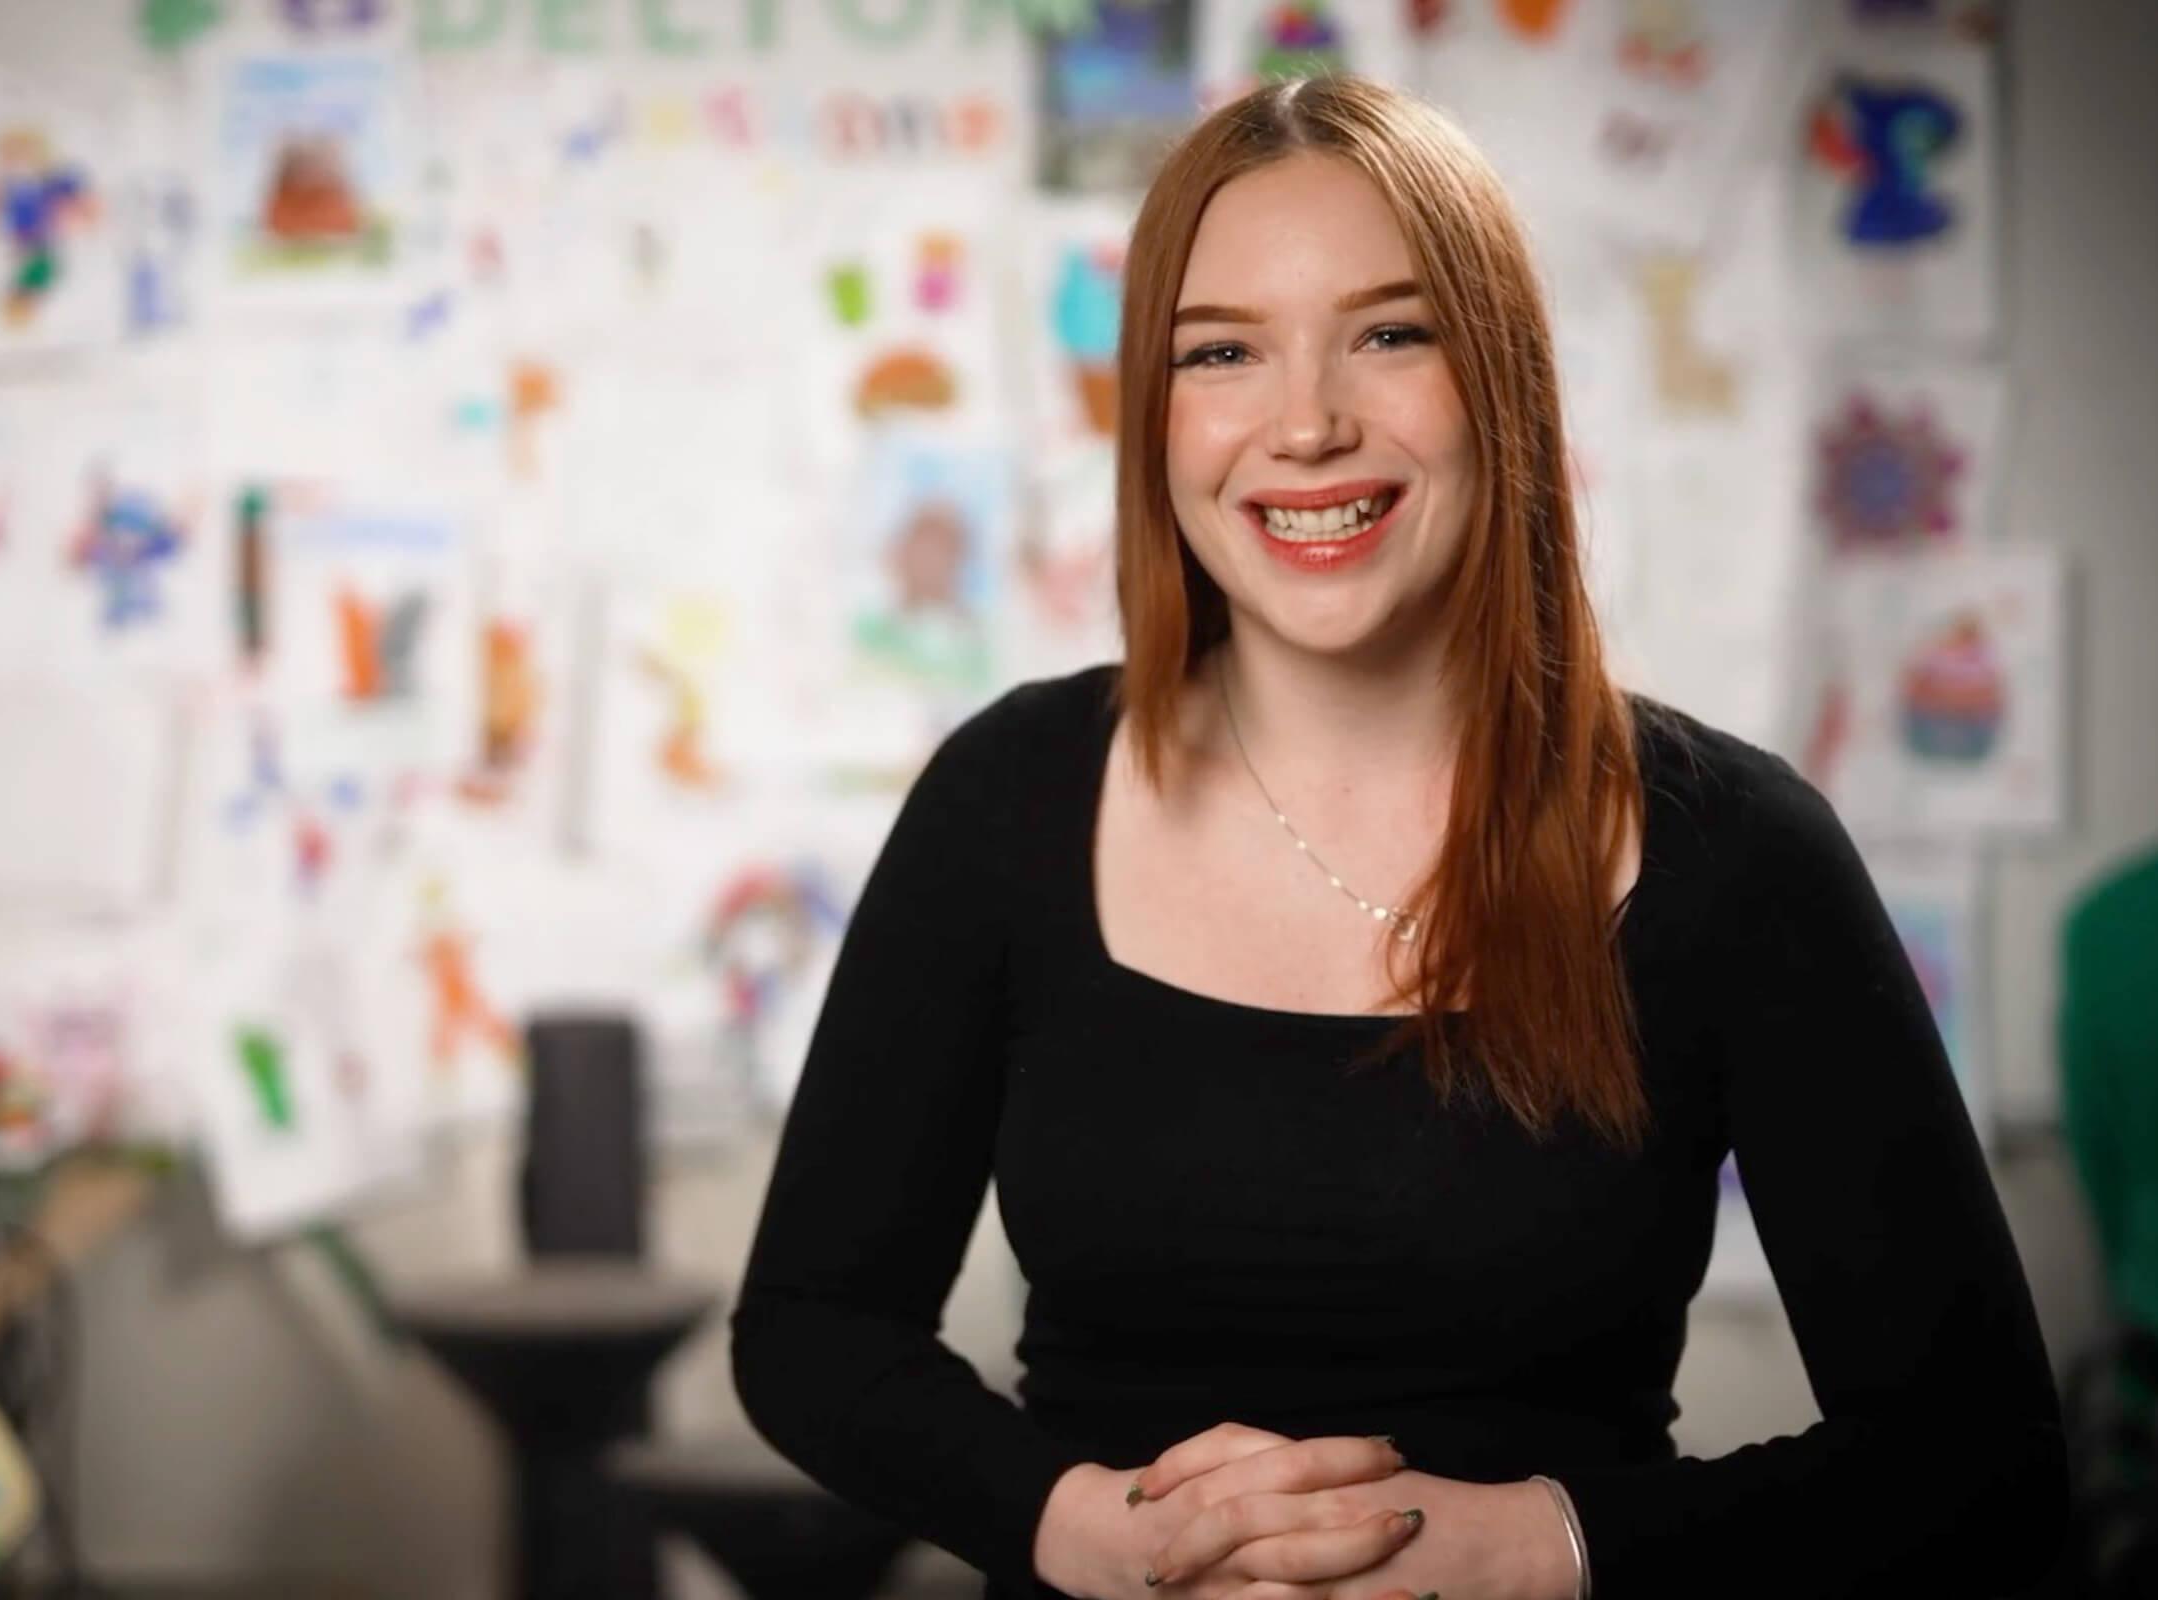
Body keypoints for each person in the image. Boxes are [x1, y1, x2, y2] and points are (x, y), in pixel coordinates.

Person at [733, 75, 2066, 1600]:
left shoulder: (1738, 854)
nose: (1305, 424)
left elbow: (1984, 1465)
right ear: (1153, 415)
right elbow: (811, 1332)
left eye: (1390, 333)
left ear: (1498, 379)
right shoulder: (1007, 797)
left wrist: (1536, 1545)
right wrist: (1082, 1528)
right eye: (1221, 351)